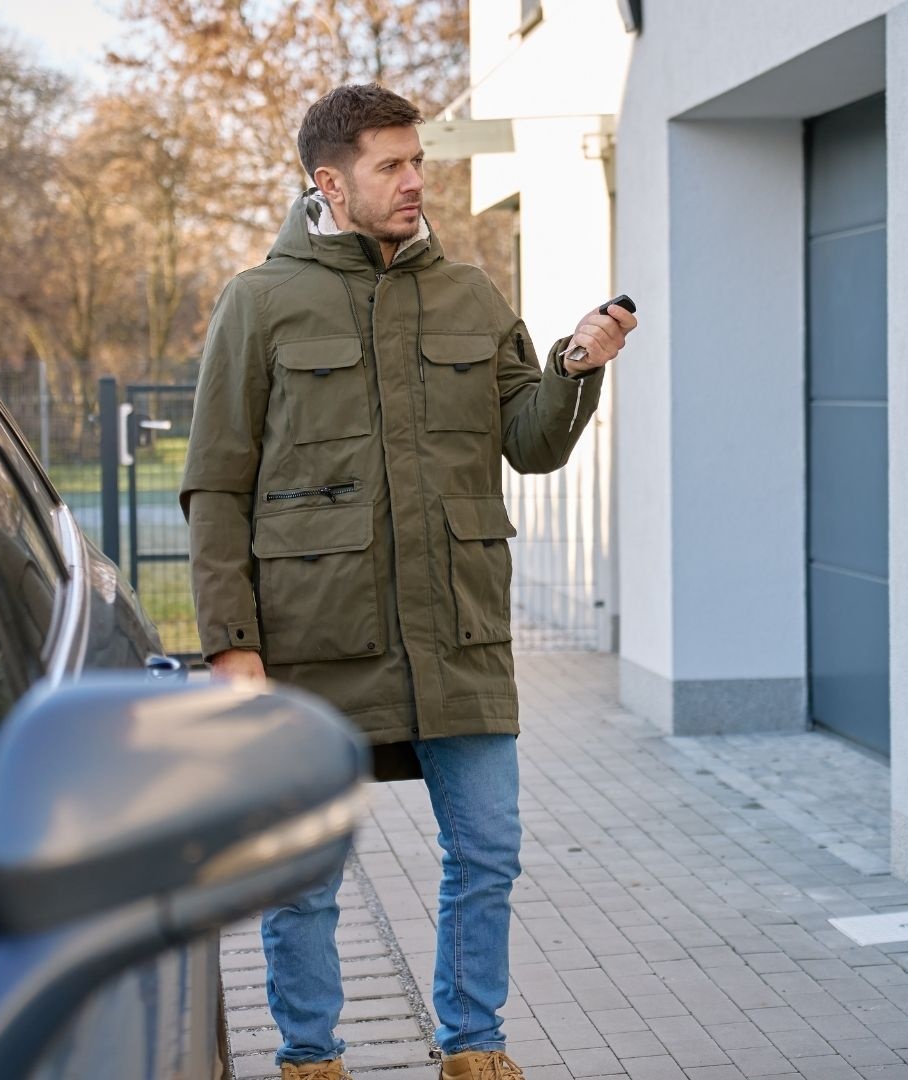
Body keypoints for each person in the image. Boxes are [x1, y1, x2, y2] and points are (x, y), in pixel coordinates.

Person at [180, 84, 636, 1080]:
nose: (416, 181)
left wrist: (575, 365)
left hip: (455, 634)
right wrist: (233, 646)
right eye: (391, 165)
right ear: (329, 184)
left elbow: (531, 443)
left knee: (488, 853)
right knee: (306, 877)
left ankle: (473, 1047)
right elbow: (215, 483)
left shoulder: (469, 294)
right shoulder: (258, 302)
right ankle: (309, 1058)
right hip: (312, 645)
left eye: (419, 161)